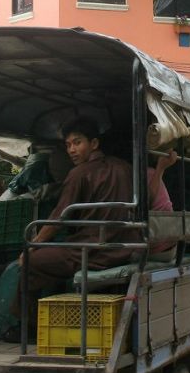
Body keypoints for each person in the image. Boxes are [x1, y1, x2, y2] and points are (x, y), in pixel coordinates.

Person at [19, 117, 137, 301]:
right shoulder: (125, 167)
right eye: (68, 145)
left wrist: (34, 245)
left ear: (94, 143)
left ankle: (24, 317)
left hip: (93, 252)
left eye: (77, 142)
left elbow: (59, 217)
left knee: (30, 261)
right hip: (125, 248)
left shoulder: (79, 173)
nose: (71, 150)